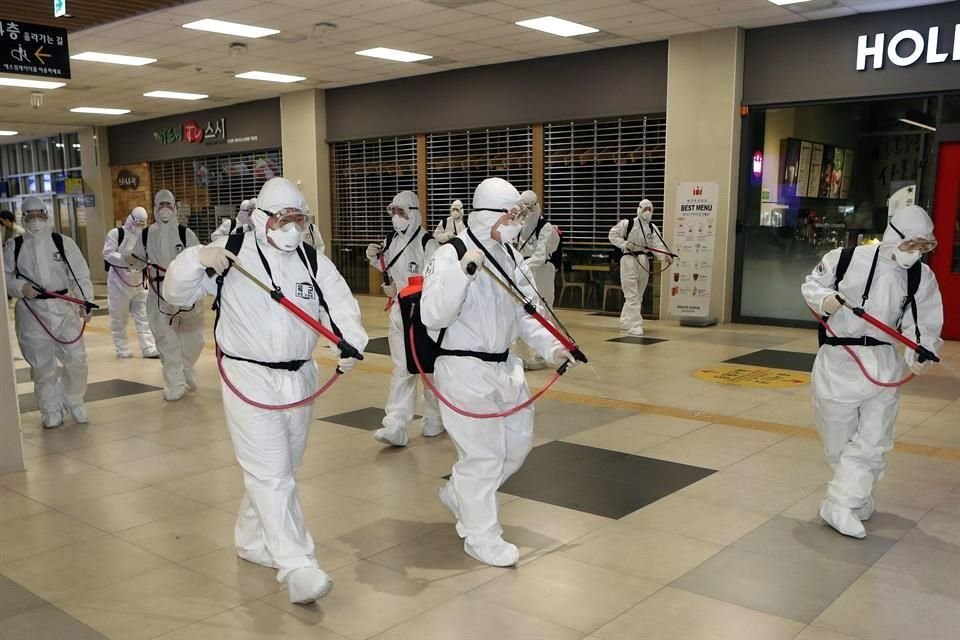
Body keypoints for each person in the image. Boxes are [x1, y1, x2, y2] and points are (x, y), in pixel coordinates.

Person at [163, 177, 367, 604]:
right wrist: (198, 257)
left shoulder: (312, 259)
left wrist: (350, 342)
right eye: (283, 218)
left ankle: (252, 540)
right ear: (261, 219)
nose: (292, 227)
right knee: (271, 472)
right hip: (247, 376)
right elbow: (175, 292)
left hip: (299, 377)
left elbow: (340, 305)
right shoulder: (231, 255)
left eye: (299, 219)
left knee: (280, 469)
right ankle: (296, 565)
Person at [421, 177, 578, 566]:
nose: (518, 222)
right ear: (488, 214)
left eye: (521, 215)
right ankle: (481, 537)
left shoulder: (510, 256)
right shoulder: (449, 254)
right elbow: (432, 314)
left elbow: (529, 314)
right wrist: (463, 272)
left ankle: (461, 494)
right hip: (462, 366)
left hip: (505, 367)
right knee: (484, 457)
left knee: (517, 446)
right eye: (512, 214)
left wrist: (555, 345)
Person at [801, 204, 943, 539]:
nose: (916, 254)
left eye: (924, 248)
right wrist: (826, 300)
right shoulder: (846, 259)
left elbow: (922, 324)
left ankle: (840, 502)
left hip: (883, 363)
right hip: (839, 362)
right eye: (911, 245)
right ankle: (856, 495)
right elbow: (811, 285)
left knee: (875, 440)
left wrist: (920, 351)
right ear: (893, 237)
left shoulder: (921, 277)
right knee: (839, 443)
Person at [3, 197, 93, 428]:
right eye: (29, 214)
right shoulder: (14, 247)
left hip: (64, 309)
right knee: (42, 366)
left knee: (76, 359)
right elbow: (5, 276)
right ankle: (50, 408)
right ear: (23, 216)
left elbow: (80, 275)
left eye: (39, 213)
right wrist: (20, 288)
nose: (35, 218)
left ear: (47, 213)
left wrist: (86, 302)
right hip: (32, 312)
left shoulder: (63, 243)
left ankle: (73, 400)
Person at [365, 191, 444, 447]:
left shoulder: (428, 244)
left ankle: (435, 417)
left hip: (424, 316)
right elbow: (389, 267)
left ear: (413, 213)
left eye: (401, 213)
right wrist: (375, 258)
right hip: (400, 314)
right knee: (401, 369)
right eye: (393, 213)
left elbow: (435, 281)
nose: (396, 218)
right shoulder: (391, 240)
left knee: (427, 369)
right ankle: (396, 424)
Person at [123, 189, 204, 401]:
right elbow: (138, 258)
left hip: (186, 295)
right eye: (161, 205)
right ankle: (175, 382)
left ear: (175, 208)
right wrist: (130, 260)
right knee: (166, 340)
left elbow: (200, 259)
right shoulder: (147, 234)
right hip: (159, 295)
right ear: (155, 208)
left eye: (169, 205)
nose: (165, 209)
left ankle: (185, 368)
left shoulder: (186, 234)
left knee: (194, 340)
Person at [608, 199, 672, 336]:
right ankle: (635, 325)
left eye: (650, 209)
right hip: (628, 259)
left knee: (638, 295)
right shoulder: (627, 223)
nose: (647, 212)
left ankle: (626, 321)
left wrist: (665, 256)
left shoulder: (652, 228)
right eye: (645, 209)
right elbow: (612, 235)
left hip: (643, 260)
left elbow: (657, 245)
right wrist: (624, 244)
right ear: (639, 209)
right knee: (632, 294)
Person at [103, 207, 158, 359]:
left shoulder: (146, 237)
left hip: (139, 282)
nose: (139, 226)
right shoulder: (116, 234)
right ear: (130, 219)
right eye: (137, 222)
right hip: (118, 283)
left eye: (142, 223)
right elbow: (107, 253)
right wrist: (125, 260)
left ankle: (148, 346)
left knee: (143, 316)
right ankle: (122, 347)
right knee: (119, 318)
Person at [515, 190, 561, 370]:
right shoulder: (520, 224)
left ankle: (543, 353)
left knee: (544, 308)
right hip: (524, 270)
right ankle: (522, 352)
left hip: (541, 271)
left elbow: (541, 255)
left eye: (528, 207)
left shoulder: (545, 226)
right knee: (523, 309)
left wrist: (522, 266)